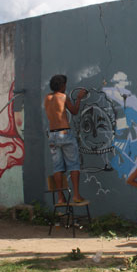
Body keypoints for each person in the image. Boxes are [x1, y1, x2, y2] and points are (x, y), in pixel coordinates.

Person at [44, 74, 87, 204]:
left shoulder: (47, 98)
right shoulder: (63, 97)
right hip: (64, 133)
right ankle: (76, 195)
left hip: (52, 135)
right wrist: (79, 98)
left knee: (58, 168)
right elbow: (74, 111)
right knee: (74, 165)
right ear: (62, 85)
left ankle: (60, 197)